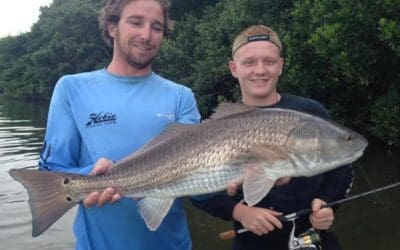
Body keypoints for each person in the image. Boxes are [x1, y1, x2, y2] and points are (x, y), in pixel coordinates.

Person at [38, 0, 200, 249]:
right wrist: (88, 176)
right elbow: (51, 171)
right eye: (136, 23)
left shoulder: (182, 97)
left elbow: (199, 170)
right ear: (112, 27)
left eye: (156, 27)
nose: (146, 35)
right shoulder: (72, 88)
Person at [192, 25, 353, 250]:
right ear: (233, 68)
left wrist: (328, 204)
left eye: (269, 61)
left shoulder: (309, 112)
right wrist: (240, 212)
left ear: (280, 66)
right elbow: (195, 192)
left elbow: (342, 167)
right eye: (249, 62)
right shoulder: (215, 128)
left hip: (314, 239)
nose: (260, 70)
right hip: (251, 243)